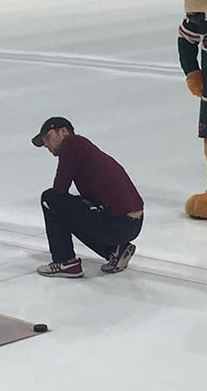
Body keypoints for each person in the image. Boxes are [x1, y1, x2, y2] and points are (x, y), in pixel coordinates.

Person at [32, 117, 144, 278]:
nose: (46, 145)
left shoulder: (71, 144)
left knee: (50, 199)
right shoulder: (83, 148)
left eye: (47, 138)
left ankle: (65, 261)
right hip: (132, 223)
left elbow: (59, 189)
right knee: (71, 211)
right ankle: (115, 250)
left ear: (63, 132)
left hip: (118, 223)